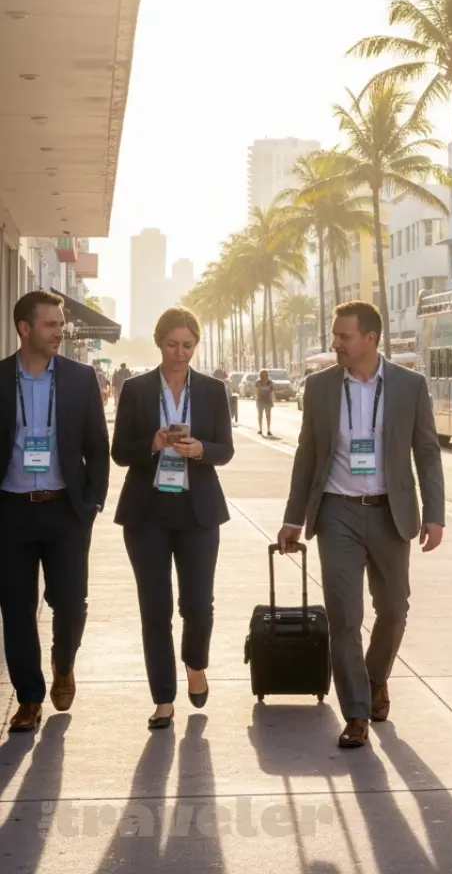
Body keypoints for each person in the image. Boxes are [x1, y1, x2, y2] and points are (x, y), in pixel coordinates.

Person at [277, 301, 445, 749]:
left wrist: (435, 513)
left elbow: (426, 451)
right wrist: (294, 518)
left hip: (392, 511)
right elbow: (307, 455)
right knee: (345, 617)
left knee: (394, 610)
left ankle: (376, 677)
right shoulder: (320, 387)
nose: (336, 344)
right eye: (336, 336)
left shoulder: (410, 386)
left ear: (370, 338)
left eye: (344, 337)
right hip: (337, 512)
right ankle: (354, 712)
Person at [111, 307, 234, 730]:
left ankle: (195, 664)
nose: (179, 354)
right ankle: (163, 698)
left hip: (198, 510)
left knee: (198, 606)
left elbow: (226, 449)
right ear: (158, 342)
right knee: (155, 608)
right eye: (171, 345)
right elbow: (119, 452)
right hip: (147, 513)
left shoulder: (214, 390)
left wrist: (200, 450)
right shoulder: (137, 389)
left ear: (195, 346)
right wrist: (153, 441)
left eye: (187, 346)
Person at [0, 290, 109, 733]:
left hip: (66, 511)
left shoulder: (80, 378)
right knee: (16, 608)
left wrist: (93, 502)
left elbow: (97, 448)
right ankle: (29, 698)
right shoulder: (2, 378)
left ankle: (63, 664)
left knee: (70, 603)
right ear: (25, 329)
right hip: (10, 511)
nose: (60, 331)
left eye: (62, 324)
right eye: (51, 325)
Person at [255, 369, 275, 436]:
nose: (264, 376)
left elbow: (272, 392)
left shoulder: (270, 383)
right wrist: (257, 397)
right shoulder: (258, 382)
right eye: (262, 375)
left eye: (265, 375)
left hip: (267, 400)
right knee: (260, 415)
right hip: (261, 400)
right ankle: (261, 429)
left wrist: (272, 399)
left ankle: (268, 430)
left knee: (267, 415)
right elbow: (256, 391)